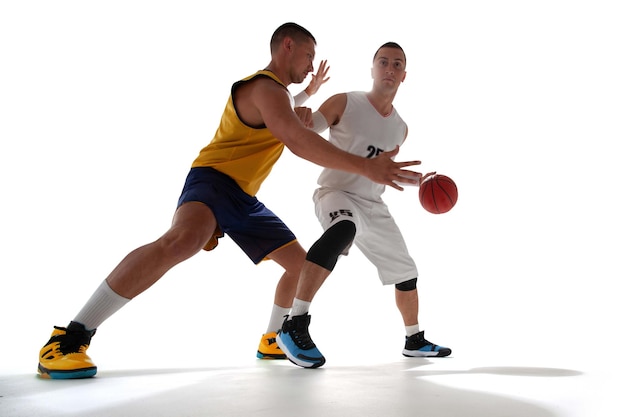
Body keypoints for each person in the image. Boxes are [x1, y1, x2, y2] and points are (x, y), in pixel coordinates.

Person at [37, 24, 422, 379]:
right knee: (178, 243)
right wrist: (366, 168)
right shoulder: (263, 88)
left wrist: (308, 95)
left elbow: (288, 111)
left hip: (243, 197)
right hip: (213, 181)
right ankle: (69, 337)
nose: (309, 66)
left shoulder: (278, 94)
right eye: (308, 56)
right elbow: (298, 139)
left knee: (298, 264)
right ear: (288, 46)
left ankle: (272, 338)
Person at [277, 42, 452, 368]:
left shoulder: (400, 128)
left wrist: (420, 181)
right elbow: (311, 127)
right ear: (372, 70)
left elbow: (383, 169)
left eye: (397, 64)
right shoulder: (347, 102)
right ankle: (294, 323)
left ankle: (414, 340)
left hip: (372, 203)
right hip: (336, 193)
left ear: (404, 75)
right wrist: (301, 116)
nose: (389, 68)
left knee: (407, 271)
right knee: (344, 228)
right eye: (383, 62)